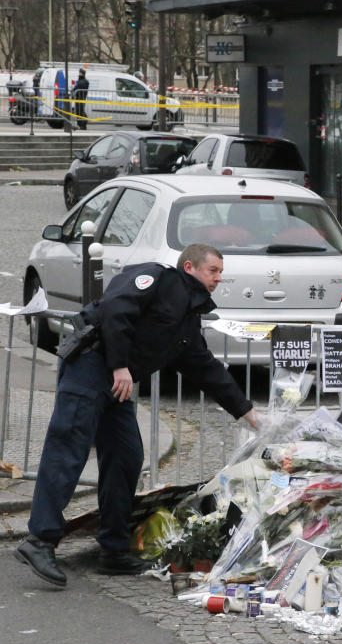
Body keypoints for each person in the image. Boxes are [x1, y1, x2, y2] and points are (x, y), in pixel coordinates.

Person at [15, 244, 259, 586]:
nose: (219, 277)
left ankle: (113, 550)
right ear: (189, 267)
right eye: (213, 270)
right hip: (93, 365)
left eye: (220, 271)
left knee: (127, 456)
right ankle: (39, 540)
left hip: (117, 382)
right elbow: (116, 308)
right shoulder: (158, 279)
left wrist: (247, 412)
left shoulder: (188, 317)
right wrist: (119, 366)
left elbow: (204, 367)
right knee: (68, 448)